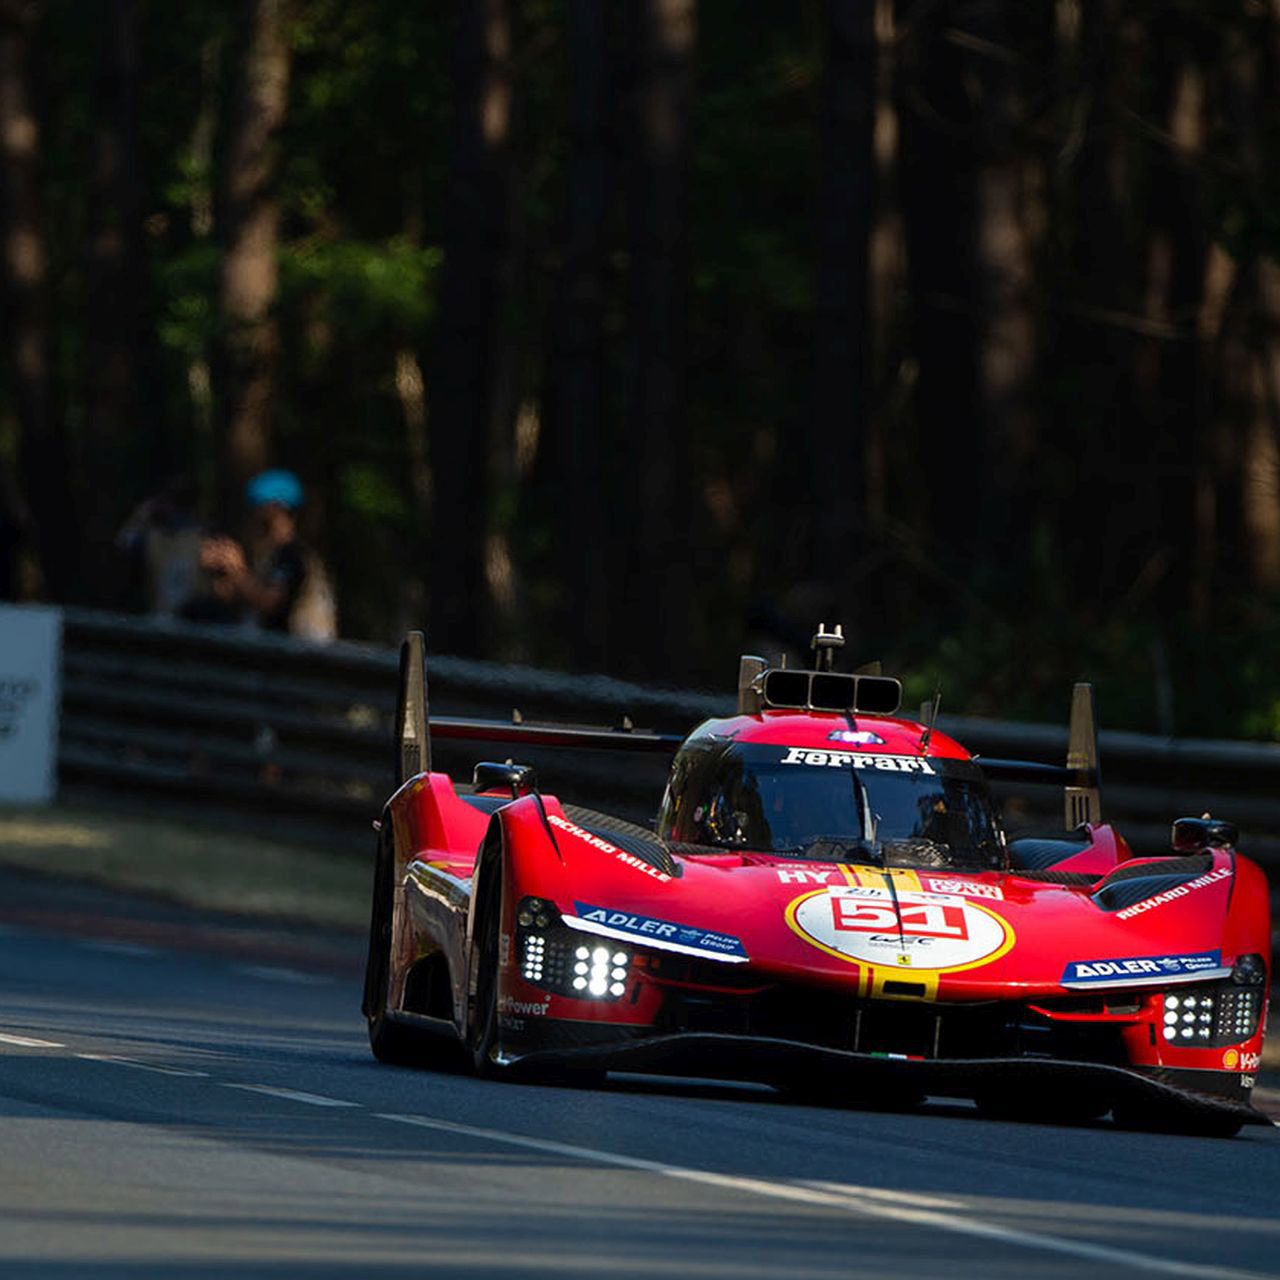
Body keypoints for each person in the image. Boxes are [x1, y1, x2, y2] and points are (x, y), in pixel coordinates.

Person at [198, 469, 336, 639]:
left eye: (258, 506)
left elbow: (270, 602)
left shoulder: (293, 555)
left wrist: (237, 571)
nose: (253, 514)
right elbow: (235, 599)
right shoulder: (270, 555)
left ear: (275, 508)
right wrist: (220, 574)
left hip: (300, 649)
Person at [114, 475, 205, 617]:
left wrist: (140, 516)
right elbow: (124, 544)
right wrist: (141, 517)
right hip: (160, 619)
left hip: (194, 622)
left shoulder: (205, 539)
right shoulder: (153, 537)